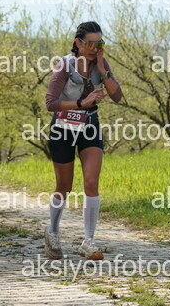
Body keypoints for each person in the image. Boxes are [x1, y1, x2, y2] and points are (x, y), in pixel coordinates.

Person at [44, 21, 122, 260]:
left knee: (91, 181)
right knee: (64, 186)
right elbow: (50, 103)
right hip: (63, 128)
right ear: (78, 43)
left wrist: (103, 69)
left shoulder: (101, 64)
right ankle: (52, 232)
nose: (95, 48)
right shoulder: (64, 65)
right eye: (90, 44)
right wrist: (81, 103)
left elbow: (117, 96)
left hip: (89, 126)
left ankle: (88, 242)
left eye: (100, 44)